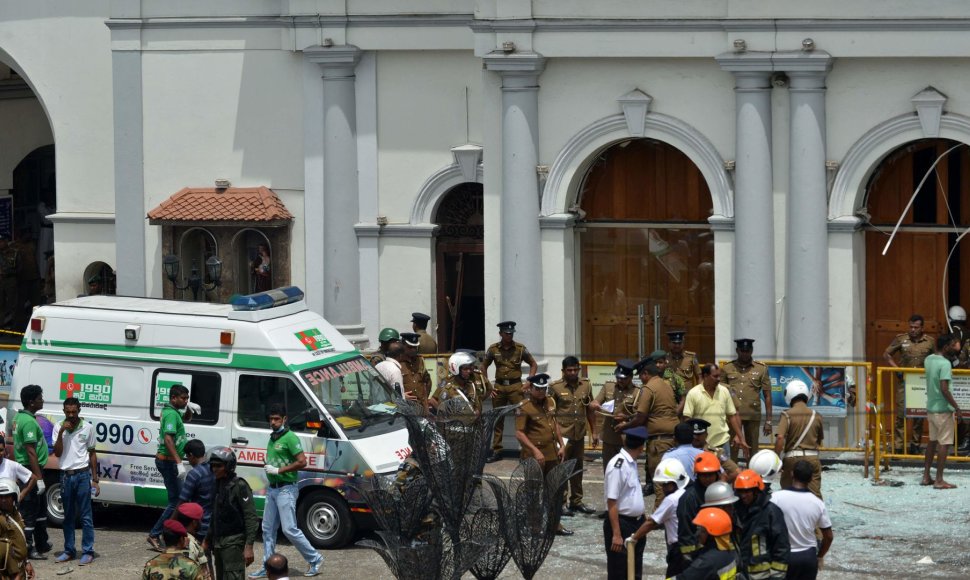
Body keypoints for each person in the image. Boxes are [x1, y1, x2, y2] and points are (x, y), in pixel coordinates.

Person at [250, 404, 323, 578]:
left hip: (286, 489)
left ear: (284, 419)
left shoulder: (290, 437)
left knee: (289, 529)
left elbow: (302, 461)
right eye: (271, 419)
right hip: (273, 489)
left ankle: (315, 558)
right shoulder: (273, 438)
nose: (273, 422)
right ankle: (268, 566)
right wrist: (268, 465)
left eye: (276, 419)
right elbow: (278, 460)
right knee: (267, 529)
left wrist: (278, 471)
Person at [515, 374, 572, 536]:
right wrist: (535, 451)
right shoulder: (524, 407)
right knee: (533, 492)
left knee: (554, 491)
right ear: (530, 389)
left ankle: (555, 525)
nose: (541, 392)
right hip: (534, 458)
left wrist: (562, 445)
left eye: (543, 389)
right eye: (538, 389)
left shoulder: (550, 402)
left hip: (552, 455)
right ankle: (534, 526)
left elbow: (555, 424)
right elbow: (519, 433)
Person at [618, 361, 678, 505]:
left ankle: (659, 515)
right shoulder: (666, 385)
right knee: (672, 479)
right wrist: (628, 417)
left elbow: (641, 417)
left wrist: (624, 426)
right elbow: (658, 411)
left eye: (641, 375)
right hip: (673, 437)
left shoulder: (649, 388)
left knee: (660, 480)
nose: (641, 378)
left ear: (646, 374)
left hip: (659, 442)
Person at [52, 396, 99, 565]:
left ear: (79, 410)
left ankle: (88, 551)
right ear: (64, 411)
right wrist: (62, 433)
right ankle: (69, 550)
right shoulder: (58, 427)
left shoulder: (88, 428)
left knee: (86, 515)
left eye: (74, 411)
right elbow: (57, 453)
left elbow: (92, 453)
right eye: (68, 412)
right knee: (68, 516)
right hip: (66, 476)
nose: (71, 415)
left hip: (82, 475)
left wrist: (95, 479)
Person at [148, 384, 196, 551]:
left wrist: (188, 407)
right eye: (183, 398)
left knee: (180, 500)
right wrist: (178, 462)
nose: (186, 401)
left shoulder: (174, 412)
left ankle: (171, 535)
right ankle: (155, 534)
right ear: (173, 398)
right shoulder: (170, 414)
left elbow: (187, 418)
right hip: (168, 462)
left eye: (187, 398)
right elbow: (168, 440)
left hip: (170, 461)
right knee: (176, 501)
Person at [483, 321, 538, 462]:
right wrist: (488, 386)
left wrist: (529, 382)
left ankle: (525, 452)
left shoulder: (520, 349)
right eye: (506, 333)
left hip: (516, 388)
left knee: (521, 418)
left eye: (511, 333)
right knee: (497, 419)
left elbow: (533, 364)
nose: (509, 335)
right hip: (499, 388)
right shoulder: (493, 349)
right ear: (501, 333)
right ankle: (497, 450)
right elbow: (483, 366)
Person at [549, 356, 597, 515]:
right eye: (569, 370)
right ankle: (560, 502)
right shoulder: (555, 387)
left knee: (577, 470)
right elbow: (551, 414)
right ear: (563, 371)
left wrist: (594, 431)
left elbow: (590, 409)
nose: (573, 373)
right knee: (562, 469)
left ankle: (576, 501)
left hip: (579, 434)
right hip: (563, 436)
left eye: (575, 370)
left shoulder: (586, 385)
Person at [771, 460, 834, 580]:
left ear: (792, 474)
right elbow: (829, 536)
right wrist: (820, 556)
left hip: (783, 555)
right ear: (811, 478)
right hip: (808, 557)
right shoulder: (817, 503)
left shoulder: (776, 498)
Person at [629, 458, 690, 578]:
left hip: (678, 550)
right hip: (691, 546)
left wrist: (634, 537)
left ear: (675, 483)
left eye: (666, 485)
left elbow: (651, 523)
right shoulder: (688, 494)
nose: (663, 488)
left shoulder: (671, 500)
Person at [883, 313, 934, 454]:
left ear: (922, 328)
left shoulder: (929, 342)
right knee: (901, 414)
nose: (913, 330)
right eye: (911, 327)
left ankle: (915, 445)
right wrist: (896, 369)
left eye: (916, 327)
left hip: (921, 384)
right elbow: (886, 354)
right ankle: (898, 446)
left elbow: (936, 358)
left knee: (918, 414)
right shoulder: (901, 339)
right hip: (904, 383)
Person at [12, 384, 52, 560]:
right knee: (29, 511)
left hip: (32, 469)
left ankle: (42, 543)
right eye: (39, 398)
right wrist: (39, 478)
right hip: (30, 470)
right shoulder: (27, 422)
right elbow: (30, 451)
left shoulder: (21, 417)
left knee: (41, 509)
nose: (42, 400)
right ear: (31, 402)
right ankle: (27, 548)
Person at [205, 447, 257, 580]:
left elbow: (250, 517)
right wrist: (208, 539)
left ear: (228, 466)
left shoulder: (240, 486)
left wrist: (249, 546)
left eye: (218, 466)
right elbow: (215, 515)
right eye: (212, 466)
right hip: (218, 542)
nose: (214, 469)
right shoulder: (217, 484)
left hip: (233, 543)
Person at [604, 426, 648, 580]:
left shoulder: (631, 462)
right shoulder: (618, 465)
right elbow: (612, 501)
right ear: (641, 447)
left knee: (635, 572)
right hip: (622, 524)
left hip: (636, 524)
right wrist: (616, 534)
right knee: (619, 572)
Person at [684, 364, 748, 467]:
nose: (718, 379)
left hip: (722, 442)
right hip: (701, 445)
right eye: (715, 376)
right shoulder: (693, 393)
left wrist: (741, 438)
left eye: (719, 376)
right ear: (705, 376)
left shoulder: (724, 391)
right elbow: (687, 419)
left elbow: (732, 416)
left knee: (727, 473)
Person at [921, 333, 962, 489]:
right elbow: (944, 389)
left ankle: (926, 476)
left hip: (931, 407)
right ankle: (939, 480)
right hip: (943, 409)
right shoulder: (945, 364)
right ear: (946, 347)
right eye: (952, 345)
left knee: (931, 442)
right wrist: (957, 407)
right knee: (944, 444)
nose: (955, 348)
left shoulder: (928, 359)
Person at [722, 338, 772, 464]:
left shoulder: (761, 369)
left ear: (752, 351)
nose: (745, 353)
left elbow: (767, 395)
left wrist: (769, 421)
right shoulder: (727, 368)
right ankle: (732, 476)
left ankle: (753, 474)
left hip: (752, 415)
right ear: (737, 350)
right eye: (742, 350)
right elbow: (721, 393)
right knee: (732, 447)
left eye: (748, 351)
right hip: (732, 415)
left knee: (752, 448)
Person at [734, 469, 789, 580]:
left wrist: (777, 577)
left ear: (756, 491)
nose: (743, 496)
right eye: (740, 492)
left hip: (763, 576)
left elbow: (781, 546)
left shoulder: (770, 512)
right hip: (740, 574)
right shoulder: (735, 510)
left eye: (747, 491)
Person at [774, 381, 824, 499]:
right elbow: (819, 440)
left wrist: (776, 458)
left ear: (789, 394)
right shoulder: (816, 415)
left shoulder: (787, 414)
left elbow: (780, 437)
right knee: (814, 494)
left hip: (792, 459)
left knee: (787, 493)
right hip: (812, 458)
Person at [590, 359, 640, 473]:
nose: (620, 380)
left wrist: (627, 418)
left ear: (631, 377)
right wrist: (595, 405)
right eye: (618, 377)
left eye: (623, 378)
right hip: (609, 438)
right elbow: (595, 402)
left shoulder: (637, 392)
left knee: (626, 473)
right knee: (609, 471)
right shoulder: (608, 386)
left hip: (626, 439)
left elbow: (639, 415)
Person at [675, 451, 723, 570]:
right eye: (703, 475)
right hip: (699, 553)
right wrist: (691, 561)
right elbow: (686, 534)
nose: (707, 479)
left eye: (710, 475)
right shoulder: (689, 499)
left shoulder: (722, 493)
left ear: (717, 474)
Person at [670, 508, 740, 580]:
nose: (698, 534)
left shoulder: (706, 563)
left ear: (711, 535)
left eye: (702, 531)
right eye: (698, 529)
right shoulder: (730, 551)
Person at [177, 439, 215, 540]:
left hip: (198, 525)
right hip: (212, 525)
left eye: (187, 457)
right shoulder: (213, 469)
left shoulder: (194, 474)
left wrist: (172, 521)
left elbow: (182, 501)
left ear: (191, 455)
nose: (188, 460)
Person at [430, 351, 487, 418]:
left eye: (469, 368)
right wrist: (446, 414)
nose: (469, 371)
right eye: (465, 369)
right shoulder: (447, 382)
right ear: (456, 369)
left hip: (473, 422)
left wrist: (477, 408)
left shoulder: (471, 383)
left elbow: (481, 396)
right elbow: (432, 401)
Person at [0, 477, 32, 580]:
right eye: (0, 497)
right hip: (7, 573)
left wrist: (27, 562)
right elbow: (3, 547)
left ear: (14, 497)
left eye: (7, 496)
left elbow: (20, 540)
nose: (3, 500)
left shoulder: (16, 514)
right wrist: (14, 574)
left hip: (20, 569)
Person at [174, 502, 212, 580]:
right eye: (199, 520)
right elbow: (204, 573)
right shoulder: (191, 543)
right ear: (194, 522)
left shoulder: (172, 538)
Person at [399, 332, 433, 412]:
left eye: (415, 347)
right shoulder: (397, 362)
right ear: (403, 346)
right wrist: (401, 396)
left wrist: (424, 400)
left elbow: (427, 381)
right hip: (405, 408)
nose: (413, 350)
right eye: (410, 347)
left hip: (420, 408)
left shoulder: (420, 360)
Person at [667, 330, 702, 396]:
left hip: (688, 395)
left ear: (683, 343)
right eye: (674, 343)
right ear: (669, 343)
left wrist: (699, 392)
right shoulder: (665, 359)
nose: (677, 346)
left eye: (679, 343)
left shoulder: (691, 357)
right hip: (670, 396)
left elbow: (699, 377)